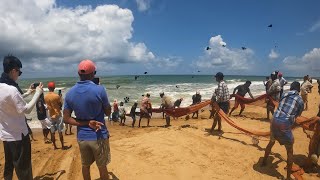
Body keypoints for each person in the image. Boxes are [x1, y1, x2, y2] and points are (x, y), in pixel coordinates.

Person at [63, 59, 111, 180]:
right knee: (102, 166)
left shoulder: (69, 93)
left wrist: (85, 123)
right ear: (93, 74)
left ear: (79, 74)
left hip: (82, 137)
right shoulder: (100, 89)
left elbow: (66, 119)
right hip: (99, 135)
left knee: (85, 165)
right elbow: (108, 111)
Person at [0, 55, 43, 180]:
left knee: (9, 165)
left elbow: (10, 102)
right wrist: (38, 93)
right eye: (19, 71)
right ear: (13, 70)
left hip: (5, 134)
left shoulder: (3, 87)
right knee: (23, 168)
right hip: (19, 136)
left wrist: (28, 93)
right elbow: (27, 110)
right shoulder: (12, 90)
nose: (19, 74)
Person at [261, 81, 304, 180]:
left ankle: (263, 162)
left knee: (271, 142)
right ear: (298, 89)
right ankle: (288, 177)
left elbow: (281, 106)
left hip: (274, 120)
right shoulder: (300, 100)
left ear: (291, 88)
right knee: (289, 151)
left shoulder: (284, 94)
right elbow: (297, 115)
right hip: (284, 124)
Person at [45, 81, 67, 150]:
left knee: (52, 132)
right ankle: (62, 145)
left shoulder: (45, 96)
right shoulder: (56, 96)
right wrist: (60, 98)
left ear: (48, 88)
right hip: (57, 114)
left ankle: (55, 146)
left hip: (50, 115)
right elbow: (60, 105)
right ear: (54, 88)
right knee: (60, 131)